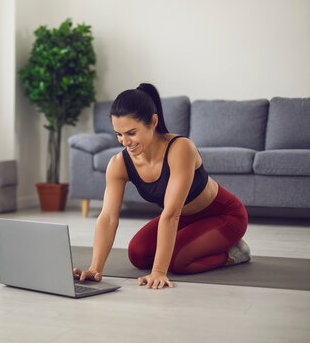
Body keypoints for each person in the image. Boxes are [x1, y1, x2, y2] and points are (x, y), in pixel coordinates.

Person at [73, 83, 251, 290]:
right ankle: (198, 243)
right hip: (185, 219)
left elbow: (171, 214)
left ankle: (235, 253)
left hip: (224, 216)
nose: (124, 141)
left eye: (131, 133)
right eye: (119, 134)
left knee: (177, 261)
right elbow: (108, 217)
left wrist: (159, 271)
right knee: (138, 254)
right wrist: (95, 268)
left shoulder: (181, 149)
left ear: (153, 122)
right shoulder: (118, 164)